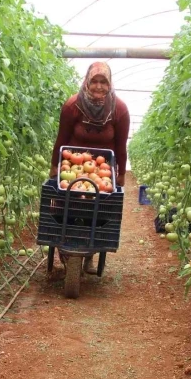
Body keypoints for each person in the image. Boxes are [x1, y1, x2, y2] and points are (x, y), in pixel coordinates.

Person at [49, 61, 130, 274]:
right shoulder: (72, 106)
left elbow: (121, 146)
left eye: (104, 81)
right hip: (73, 165)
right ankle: (65, 246)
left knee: (98, 210)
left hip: (102, 171)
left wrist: (120, 174)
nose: (99, 86)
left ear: (110, 83)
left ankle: (90, 253)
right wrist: (54, 166)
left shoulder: (119, 109)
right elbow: (61, 139)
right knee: (63, 206)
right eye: (94, 81)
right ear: (87, 81)